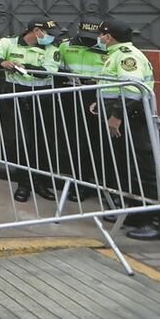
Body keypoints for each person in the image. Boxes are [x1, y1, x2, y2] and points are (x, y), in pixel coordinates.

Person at [90, 20, 160, 241]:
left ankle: (155, 221)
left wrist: (115, 116)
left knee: (143, 166)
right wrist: (101, 105)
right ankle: (137, 212)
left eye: (101, 35)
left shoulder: (125, 55)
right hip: (127, 116)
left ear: (108, 37)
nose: (100, 39)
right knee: (130, 166)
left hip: (133, 118)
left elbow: (132, 90)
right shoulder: (118, 53)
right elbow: (115, 86)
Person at [0, 18, 63, 203]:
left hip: (42, 98)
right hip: (15, 97)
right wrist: (2, 63)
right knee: (20, 142)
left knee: (42, 142)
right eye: (48, 33)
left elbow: (50, 70)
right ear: (36, 31)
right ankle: (24, 183)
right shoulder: (7, 43)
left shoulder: (52, 49)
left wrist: (25, 68)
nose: (51, 38)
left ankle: (40, 181)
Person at [56, 20, 109, 201]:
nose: (88, 42)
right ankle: (80, 184)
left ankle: (108, 188)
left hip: (102, 98)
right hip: (74, 99)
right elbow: (58, 70)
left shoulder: (109, 48)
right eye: (84, 38)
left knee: (104, 143)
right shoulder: (65, 46)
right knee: (77, 143)